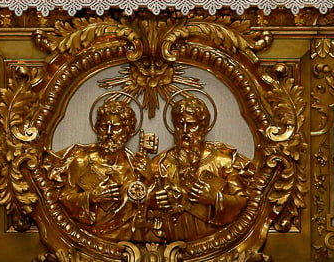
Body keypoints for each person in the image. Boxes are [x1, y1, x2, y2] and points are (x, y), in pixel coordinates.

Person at [48, 97, 156, 241]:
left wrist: (149, 178)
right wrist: (91, 197)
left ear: (127, 131)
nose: (109, 133)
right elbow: (63, 198)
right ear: (97, 128)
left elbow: (150, 205)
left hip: (128, 236)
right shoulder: (82, 160)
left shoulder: (134, 165)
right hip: (89, 237)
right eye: (105, 127)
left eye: (116, 127)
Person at [151, 96, 253, 242]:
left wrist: (215, 198)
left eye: (191, 125)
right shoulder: (161, 162)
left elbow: (244, 203)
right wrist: (152, 201)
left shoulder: (223, 161)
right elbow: (142, 201)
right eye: (180, 125)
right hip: (169, 238)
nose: (185, 131)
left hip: (212, 241)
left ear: (203, 127)